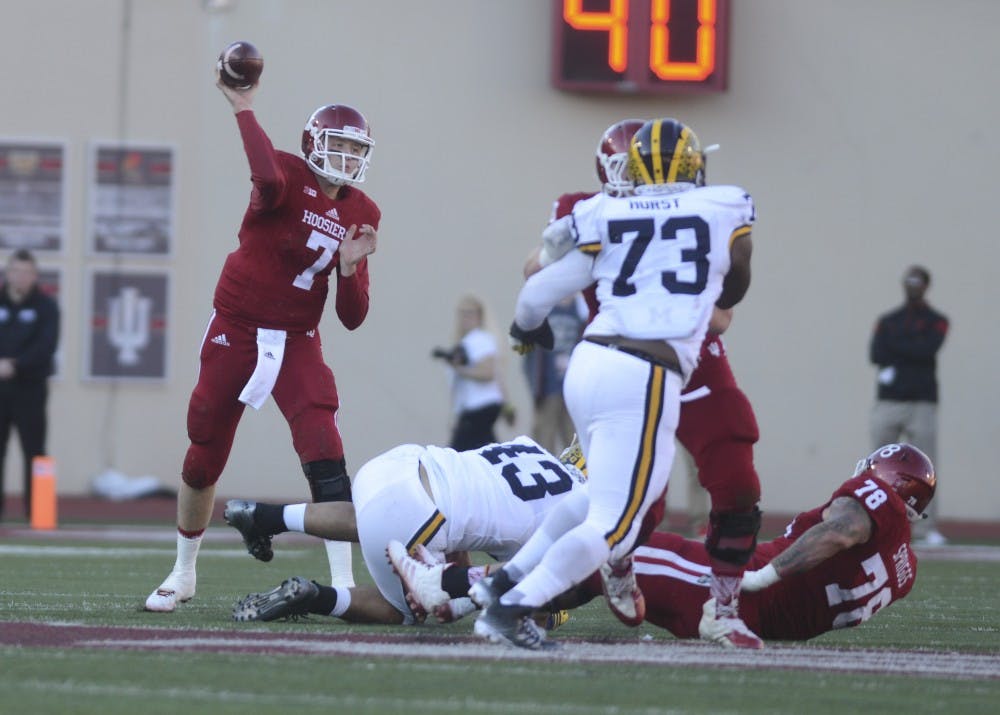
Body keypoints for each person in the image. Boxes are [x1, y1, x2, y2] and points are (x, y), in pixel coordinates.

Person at [473, 117, 754, 649]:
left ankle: (504, 583)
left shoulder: (606, 213)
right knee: (617, 526)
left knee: (591, 503)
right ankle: (512, 610)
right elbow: (733, 291)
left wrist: (525, 332)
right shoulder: (723, 207)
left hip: (589, 363)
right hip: (645, 370)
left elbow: (536, 291)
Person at [144, 64, 379, 612]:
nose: (346, 160)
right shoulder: (285, 176)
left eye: (354, 150)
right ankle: (183, 574)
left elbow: (353, 316)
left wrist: (348, 269)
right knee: (204, 449)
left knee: (325, 450)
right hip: (237, 327)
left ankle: (342, 583)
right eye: (337, 147)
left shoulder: (363, 212)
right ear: (313, 144)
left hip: (298, 337)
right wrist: (242, 106)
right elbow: (267, 179)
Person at [397, 442, 935, 643]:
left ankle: (442, 586)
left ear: (884, 480)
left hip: (734, 593)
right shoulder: (903, 564)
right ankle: (469, 599)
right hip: (755, 610)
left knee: (600, 549)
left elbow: (839, 529)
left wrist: (760, 575)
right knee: (597, 567)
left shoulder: (872, 507)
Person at [223, 435, 586, 625]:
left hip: (395, 464)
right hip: (418, 514)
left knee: (369, 516)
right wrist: (552, 613)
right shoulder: (572, 512)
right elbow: (513, 593)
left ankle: (266, 516)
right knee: (409, 611)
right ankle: (315, 596)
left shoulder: (529, 446)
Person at [869, 266, 949, 546]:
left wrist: (899, 348)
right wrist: (910, 348)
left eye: (918, 281)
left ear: (926, 285)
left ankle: (926, 530)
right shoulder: (889, 320)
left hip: (921, 401)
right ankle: (875, 523)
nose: (912, 286)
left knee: (926, 467)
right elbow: (876, 353)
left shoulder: (937, 320)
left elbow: (927, 350)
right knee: (878, 464)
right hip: (889, 400)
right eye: (909, 280)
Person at [0, 249, 59, 521]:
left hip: (30, 389)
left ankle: (38, 514)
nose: (20, 276)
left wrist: (15, 365)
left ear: (34, 276)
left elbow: (46, 346)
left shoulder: (46, 306)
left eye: (26, 272)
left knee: (34, 451)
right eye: (15, 270)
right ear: (8, 273)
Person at [433, 295, 507, 451]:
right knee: (486, 451)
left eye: (470, 313)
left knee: (457, 454)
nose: (465, 318)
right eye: (462, 313)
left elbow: (488, 372)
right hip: (472, 409)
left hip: (480, 407)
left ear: (479, 316)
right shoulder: (466, 342)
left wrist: (459, 369)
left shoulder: (481, 339)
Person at [520, 293, 586, 454]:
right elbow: (529, 354)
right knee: (544, 437)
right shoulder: (544, 309)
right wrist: (535, 387)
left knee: (574, 439)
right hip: (548, 387)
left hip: (574, 387)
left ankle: (577, 475)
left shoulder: (581, 308)